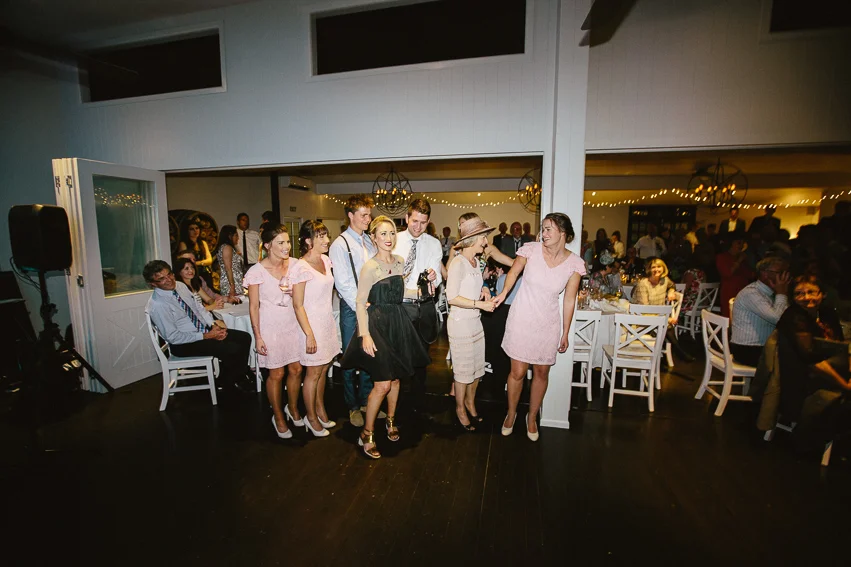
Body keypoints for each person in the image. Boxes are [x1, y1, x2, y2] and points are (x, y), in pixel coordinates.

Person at [341, 216, 430, 458]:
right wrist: (365, 335)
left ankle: (390, 420)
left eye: (391, 233)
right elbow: (360, 303)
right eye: (382, 233)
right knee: (382, 383)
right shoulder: (370, 267)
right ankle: (367, 433)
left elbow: (399, 293)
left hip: (397, 323)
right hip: (377, 326)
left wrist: (422, 290)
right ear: (373, 237)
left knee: (396, 379)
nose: (388, 238)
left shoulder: (400, 262)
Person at [494, 212, 584, 441]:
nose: (543, 233)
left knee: (542, 372)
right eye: (543, 229)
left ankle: (532, 417)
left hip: (548, 322)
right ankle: (511, 413)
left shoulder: (575, 264)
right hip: (522, 318)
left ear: (562, 233)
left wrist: (565, 332)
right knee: (517, 372)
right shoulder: (530, 250)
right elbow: (514, 272)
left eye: (548, 229)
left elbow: (569, 300)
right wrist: (503, 293)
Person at [144, 260, 254, 393]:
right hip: (184, 343)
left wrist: (213, 325)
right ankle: (232, 382)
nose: (169, 280)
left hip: (203, 331)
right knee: (231, 348)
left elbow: (199, 309)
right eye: (162, 279)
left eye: (169, 274)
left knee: (244, 337)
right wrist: (206, 336)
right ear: (153, 284)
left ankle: (232, 377)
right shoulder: (158, 305)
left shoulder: (180, 286)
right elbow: (173, 337)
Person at [775, 274, 850, 453]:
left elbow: (839, 346)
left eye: (812, 292)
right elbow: (812, 361)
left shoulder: (827, 313)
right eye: (799, 293)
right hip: (805, 379)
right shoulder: (794, 317)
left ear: (823, 294)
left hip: (829, 368)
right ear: (792, 298)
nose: (806, 297)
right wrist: (846, 385)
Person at [244, 225, 303, 440]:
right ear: (267, 245)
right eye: (281, 242)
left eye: (288, 242)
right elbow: (253, 307)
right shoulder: (256, 272)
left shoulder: (295, 265)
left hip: (292, 323)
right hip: (270, 327)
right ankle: (277, 416)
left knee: (296, 369)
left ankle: (292, 408)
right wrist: (258, 336)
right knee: (276, 374)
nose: (287, 246)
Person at [329, 195, 378, 428]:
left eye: (369, 214)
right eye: (363, 215)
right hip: (352, 307)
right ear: (350, 215)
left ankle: (367, 401)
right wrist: (360, 306)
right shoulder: (340, 244)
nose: (368, 219)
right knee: (349, 358)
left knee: (369, 353)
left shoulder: (368, 241)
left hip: (370, 304)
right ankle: (352, 406)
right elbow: (343, 283)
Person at [392, 199, 443, 420]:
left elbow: (437, 278)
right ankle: (396, 407)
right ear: (407, 218)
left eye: (423, 222)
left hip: (422, 306)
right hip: (399, 305)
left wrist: (434, 277)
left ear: (428, 221)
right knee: (399, 358)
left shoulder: (434, 244)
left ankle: (417, 405)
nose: (418, 227)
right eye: (414, 221)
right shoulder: (393, 240)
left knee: (421, 359)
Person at [446, 216, 497, 431]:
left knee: (476, 369)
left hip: (475, 323)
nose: (486, 242)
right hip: (460, 324)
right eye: (483, 237)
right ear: (473, 239)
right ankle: (460, 408)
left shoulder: (475, 262)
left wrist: (483, 289)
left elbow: (474, 283)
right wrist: (480, 304)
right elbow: (452, 297)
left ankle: (470, 402)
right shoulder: (458, 263)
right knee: (463, 371)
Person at [290, 220, 339, 438]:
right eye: (321, 237)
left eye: (326, 236)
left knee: (323, 369)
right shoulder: (300, 267)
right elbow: (297, 305)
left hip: (326, 322)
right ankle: (310, 417)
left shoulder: (325, 260)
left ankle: (320, 409)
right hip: (310, 326)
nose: (327, 240)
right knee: (312, 373)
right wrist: (309, 334)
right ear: (308, 241)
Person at [631, 257, 695, 362]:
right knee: (666, 326)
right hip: (640, 318)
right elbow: (645, 310)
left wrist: (671, 291)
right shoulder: (644, 283)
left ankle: (668, 354)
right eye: (653, 267)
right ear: (649, 269)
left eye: (659, 267)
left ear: (663, 268)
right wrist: (666, 319)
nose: (656, 269)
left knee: (665, 326)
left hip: (658, 318)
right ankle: (676, 352)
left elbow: (672, 285)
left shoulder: (664, 280)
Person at [729, 257, 790, 367]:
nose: (784, 277)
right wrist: (781, 293)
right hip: (748, 350)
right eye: (780, 272)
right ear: (765, 274)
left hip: (762, 347)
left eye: (785, 272)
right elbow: (778, 319)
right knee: (795, 359)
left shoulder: (770, 292)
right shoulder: (752, 293)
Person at [174, 251, 240, 306]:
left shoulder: (196, 281)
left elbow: (210, 297)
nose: (191, 270)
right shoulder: (178, 287)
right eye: (186, 268)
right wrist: (211, 306)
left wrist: (226, 299)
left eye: (193, 260)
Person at [716, 237, 754, 317]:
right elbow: (727, 273)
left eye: (742, 243)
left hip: (743, 293)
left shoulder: (742, 259)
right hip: (730, 292)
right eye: (739, 243)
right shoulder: (722, 257)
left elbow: (750, 275)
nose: (741, 246)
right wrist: (739, 261)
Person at [177, 219, 214, 290]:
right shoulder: (183, 244)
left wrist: (197, 263)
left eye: (197, 228)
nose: (195, 231)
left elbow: (209, 260)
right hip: (192, 274)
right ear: (187, 231)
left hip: (205, 273)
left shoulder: (203, 243)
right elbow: (185, 262)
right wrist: (203, 262)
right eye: (192, 229)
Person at [215, 225, 245, 300]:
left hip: (235, 280)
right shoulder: (227, 247)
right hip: (231, 281)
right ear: (229, 236)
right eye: (236, 235)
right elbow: (228, 268)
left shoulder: (229, 248)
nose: (238, 238)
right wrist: (232, 286)